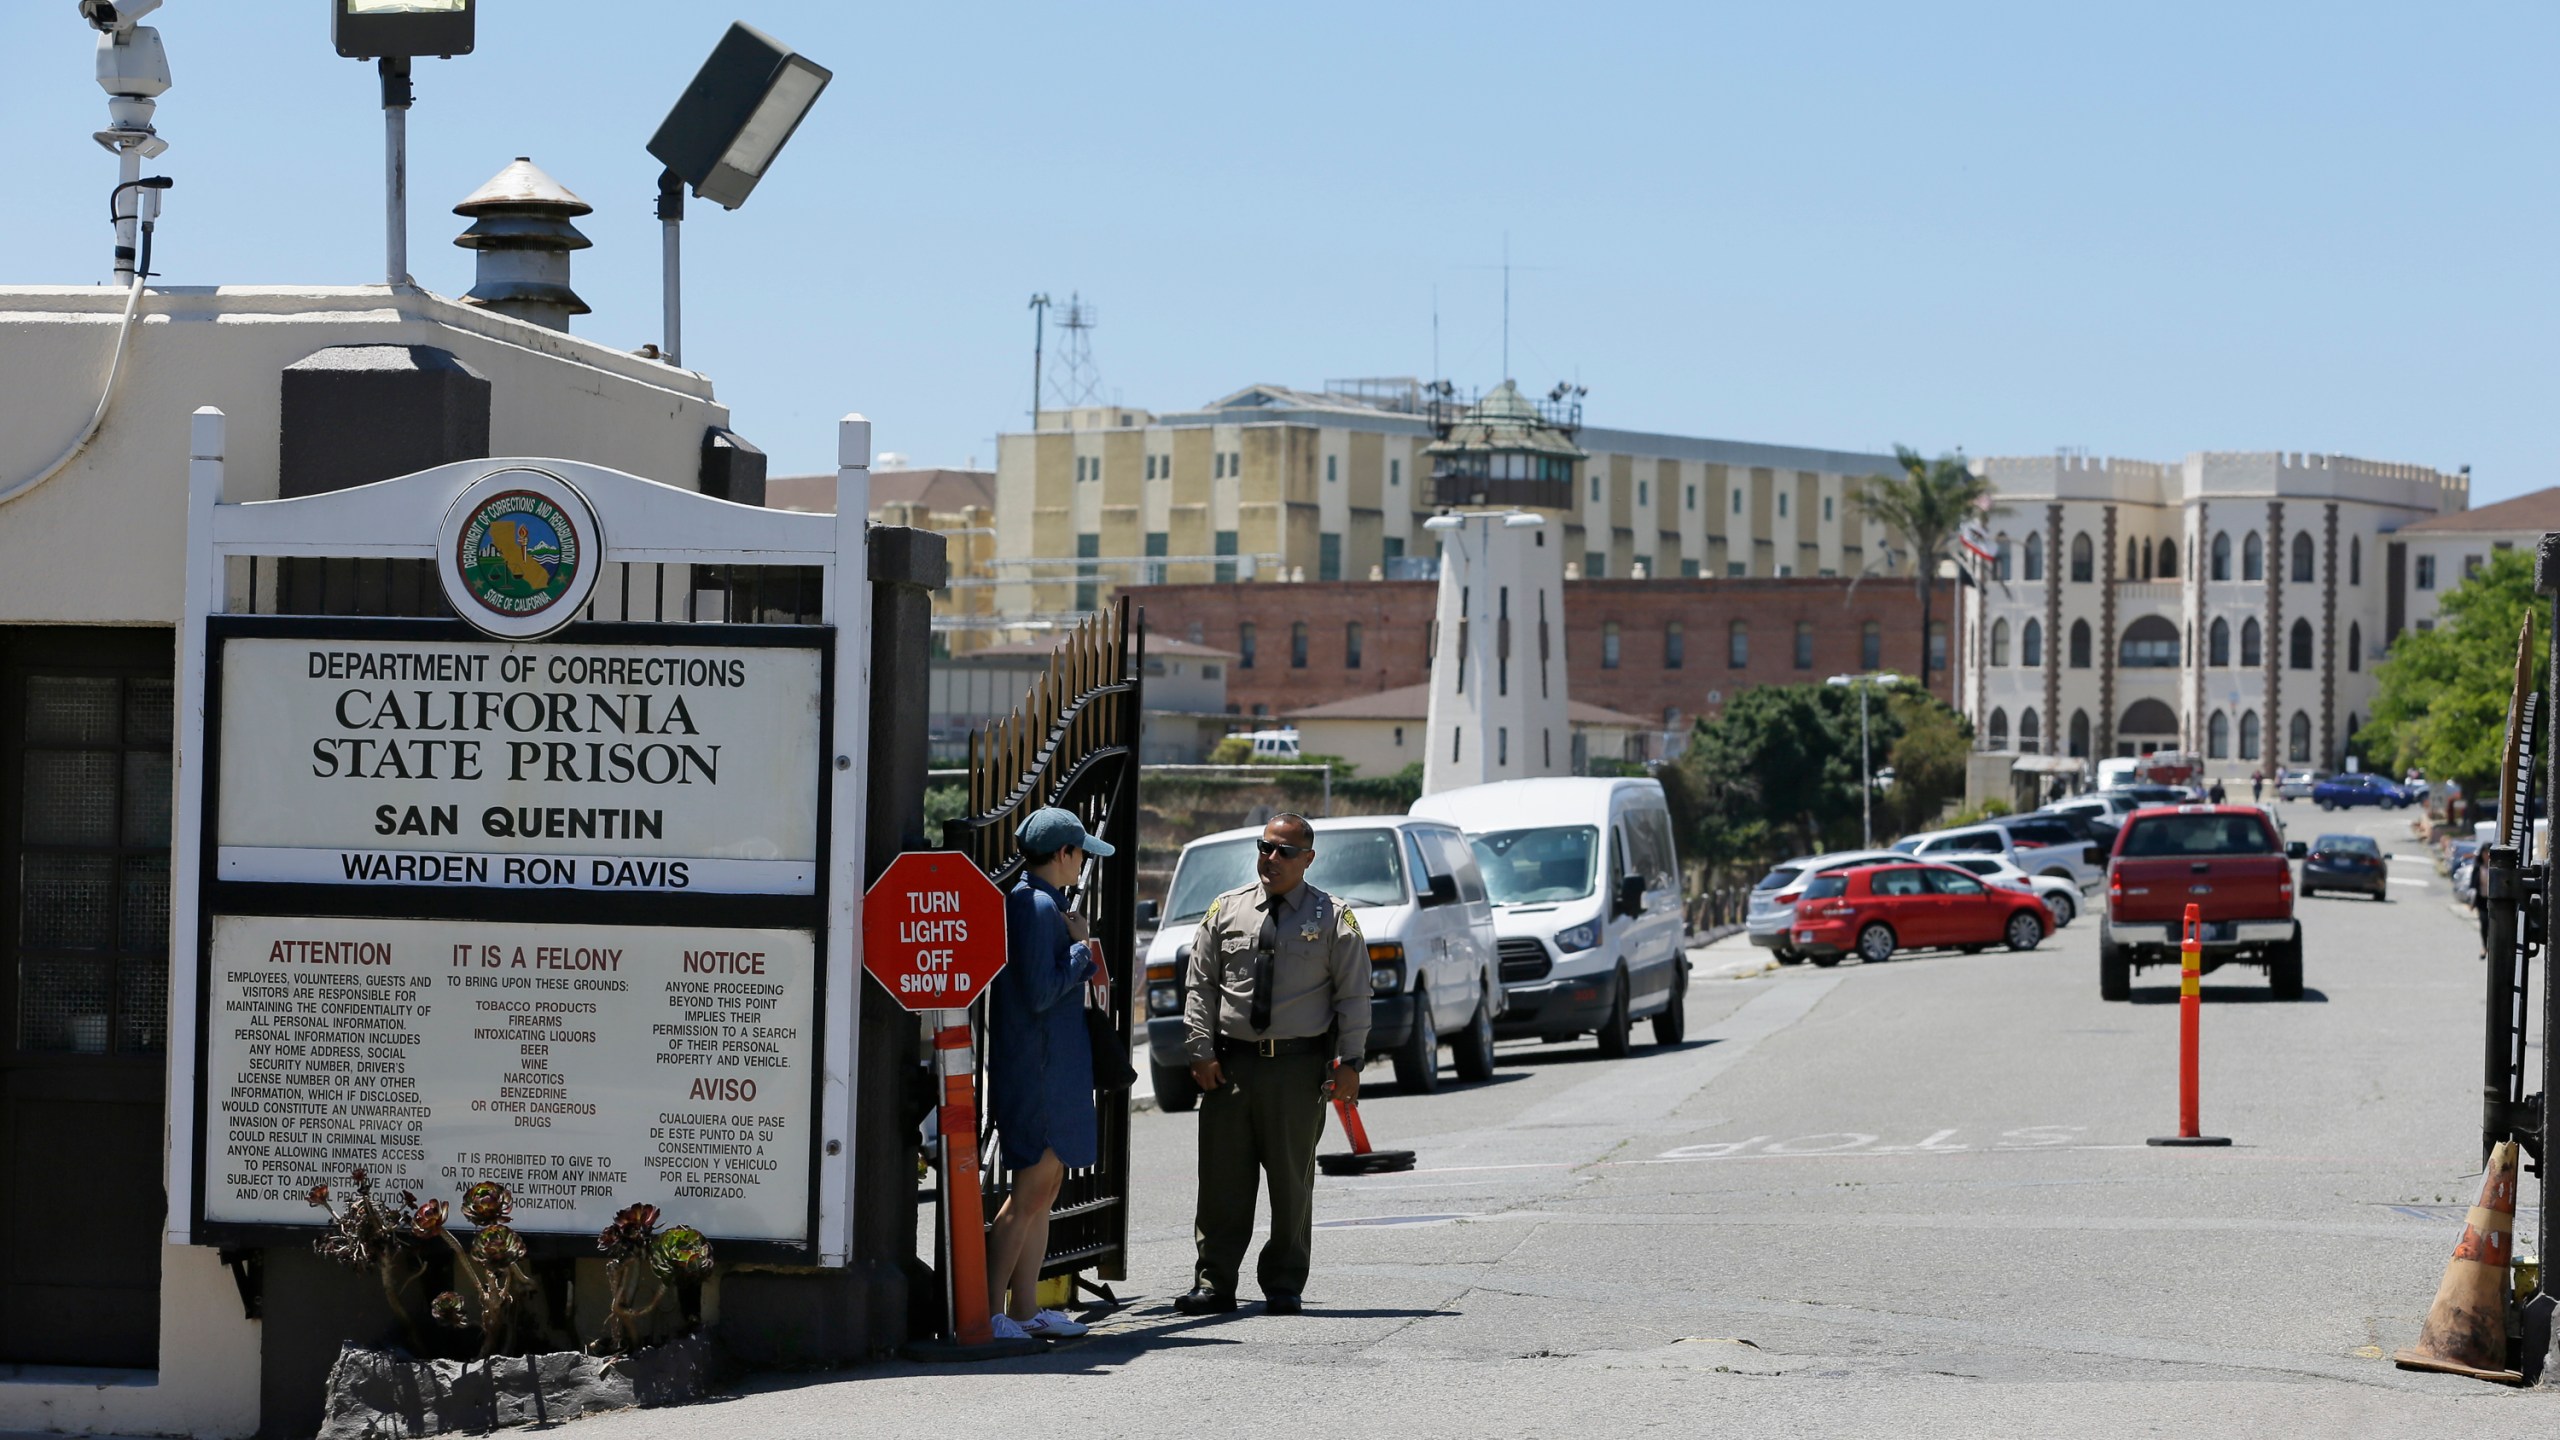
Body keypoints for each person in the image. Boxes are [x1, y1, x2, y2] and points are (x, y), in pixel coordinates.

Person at [1175, 813, 1370, 1316]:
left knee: (1290, 1183)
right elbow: (1200, 986)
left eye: (1285, 851)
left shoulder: (1332, 916)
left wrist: (1350, 1061)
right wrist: (1199, 1050)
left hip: (1296, 1070)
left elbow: (1354, 995)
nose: (1272, 859)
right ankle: (1214, 1281)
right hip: (1231, 1068)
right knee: (1221, 1183)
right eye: (1265, 848)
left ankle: (1284, 1282)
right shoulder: (1226, 909)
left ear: (1308, 858)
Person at [984, 807, 1115, 1341]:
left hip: (1051, 1065)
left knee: (1046, 1188)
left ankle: (1025, 1309)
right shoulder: (1034, 905)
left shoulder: (1042, 903)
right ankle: (990, 1313)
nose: (1082, 862)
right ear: (1062, 854)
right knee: (1032, 1189)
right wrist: (1083, 950)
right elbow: (1040, 991)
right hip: (1037, 1068)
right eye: (1079, 852)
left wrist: (1080, 946)